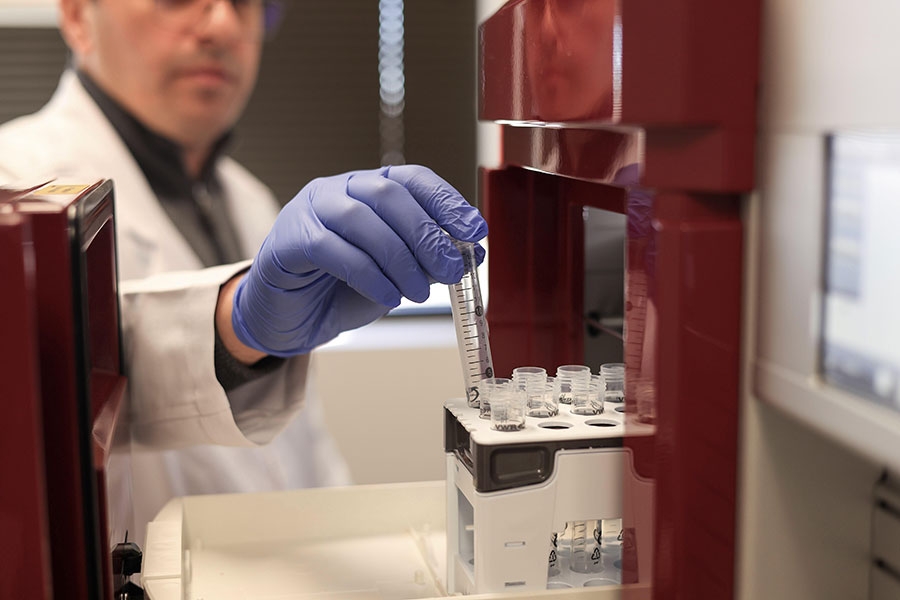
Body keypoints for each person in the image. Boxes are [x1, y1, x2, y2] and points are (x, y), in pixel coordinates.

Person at [0, 0, 487, 546]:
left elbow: (307, 462)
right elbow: (39, 396)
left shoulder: (252, 201)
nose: (224, 25)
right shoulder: (12, 188)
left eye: (246, 3)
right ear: (75, 16)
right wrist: (234, 328)